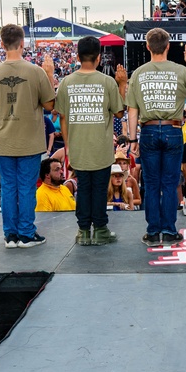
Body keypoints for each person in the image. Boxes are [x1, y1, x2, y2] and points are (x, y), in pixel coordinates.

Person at [125, 28, 186, 247]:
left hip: (148, 130)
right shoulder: (180, 71)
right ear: (168, 46)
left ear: (148, 47)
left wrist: (132, 140)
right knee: (170, 183)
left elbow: (132, 110)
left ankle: (152, 232)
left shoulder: (139, 73)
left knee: (151, 184)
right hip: (173, 129)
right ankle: (169, 231)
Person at [0, 24, 56, 248]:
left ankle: (11, 235)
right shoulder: (35, 71)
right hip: (29, 140)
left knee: (8, 188)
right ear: (23, 43)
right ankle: (26, 233)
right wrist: (50, 75)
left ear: (2, 44)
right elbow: (49, 105)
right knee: (26, 188)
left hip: (4, 139)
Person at [56, 36, 126, 245]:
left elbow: (62, 117)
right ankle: (101, 230)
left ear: (77, 57)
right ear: (98, 58)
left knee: (83, 188)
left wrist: (68, 146)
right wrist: (121, 84)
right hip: (102, 148)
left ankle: (83, 231)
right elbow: (120, 113)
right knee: (99, 188)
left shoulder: (67, 82)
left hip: (78, 147)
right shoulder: (107, 82)